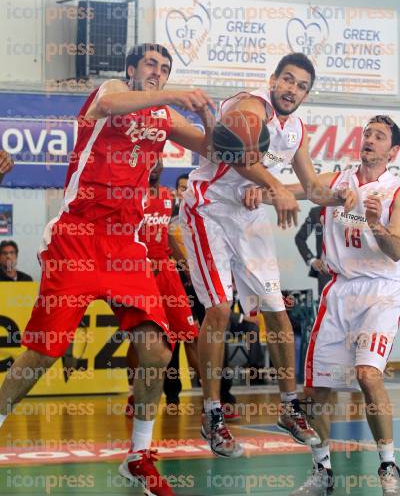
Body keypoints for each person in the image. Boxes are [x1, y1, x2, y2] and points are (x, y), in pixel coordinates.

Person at [0, 43, 216, 496]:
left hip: (125, 244)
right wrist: (175, 94)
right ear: (132, 69)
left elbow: (214, 148)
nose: (157, 72)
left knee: (157, 350)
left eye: (165, 68)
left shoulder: (164, 117)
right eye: (151, 65)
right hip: (77, 235)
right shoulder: (112, 92)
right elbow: (111, 103)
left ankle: (139, 456)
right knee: (44, 352)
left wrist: (216, 121)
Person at [181, 52, 355, 458]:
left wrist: (344, 199)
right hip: (209, 207)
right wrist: (275, 187)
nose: (293, 90)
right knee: (221, 310)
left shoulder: (296, 129)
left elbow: (311, 186)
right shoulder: (249, 105)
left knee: (278, 310)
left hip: (250, 217)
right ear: (273, 79)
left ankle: (290, 407)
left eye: (301, 86)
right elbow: (240, 156)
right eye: (288, 80)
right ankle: (212, 412)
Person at [288, 115, 400, 496]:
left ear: (393, 151)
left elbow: (397, 250)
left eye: (379, 136)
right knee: (318, 391)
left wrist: (375, 225)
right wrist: (263, 189)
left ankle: (388, 466)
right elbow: (303, 189)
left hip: (381, 290)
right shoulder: (339, 181)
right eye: (367, 133)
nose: (369, 139)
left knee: (369, 375)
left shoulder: (396, 189)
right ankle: (322, 472)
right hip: (339, 290)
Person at [125, 158, 200, 414]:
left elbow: (167, 232)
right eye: (150, 160)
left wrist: (185, 263)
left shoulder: (168, 195)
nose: (155, 165)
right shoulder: (131, 194)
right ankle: (133, 394)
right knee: (140, 339)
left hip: (166, 270)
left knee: (191, 333)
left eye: (159, 160)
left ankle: (212, 402)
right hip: (139, 272)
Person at [295, 206, 331, 297]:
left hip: (352, 274)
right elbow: (300, 238)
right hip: (325, 274)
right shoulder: (316, 212)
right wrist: (312, 260)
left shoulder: (355, 211)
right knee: (325, 309)